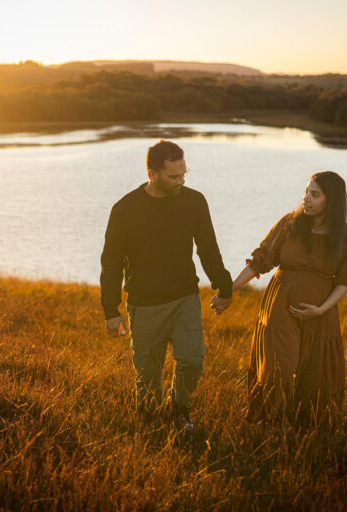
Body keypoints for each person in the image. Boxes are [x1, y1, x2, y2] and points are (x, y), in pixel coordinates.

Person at [100, 140, 233, 434]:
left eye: (185, 173)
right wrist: (111, 309)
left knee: (191, 360)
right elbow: (110, 263)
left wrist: (224, 288)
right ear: (152, 174)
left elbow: (208, 249)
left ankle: (178, 409)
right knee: (147, 374)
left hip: (184, 296)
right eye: (174, 176)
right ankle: (149, 425)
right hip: (144, 304)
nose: (181, 181)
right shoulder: (125, 209)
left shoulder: (194, 201)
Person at [221, 171, 347, 424]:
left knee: (319, 373)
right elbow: (259, 262)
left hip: (321, 312)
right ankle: (271, 425)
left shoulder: (343, 236)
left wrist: (321, 309)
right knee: (279, 368)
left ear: (332, 201)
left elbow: (345, 280)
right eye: (306, 192)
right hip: (281, 307)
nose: (306, 198)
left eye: (314, 194)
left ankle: (308, 426)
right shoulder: (289, 224)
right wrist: (229, 289)